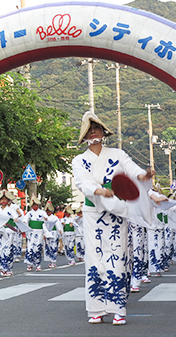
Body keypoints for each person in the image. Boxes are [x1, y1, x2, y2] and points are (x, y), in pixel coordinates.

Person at [71, 111, 154, 326]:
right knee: (94, 259)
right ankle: (96, 308)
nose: (93, 133)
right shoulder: (79, 160)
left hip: (117, 211)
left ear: (103, 132)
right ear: (84, 136)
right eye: (89, 131)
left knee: (117, 257)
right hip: (93, 212)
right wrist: (99, 191)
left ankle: (117, 308)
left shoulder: (117, 154)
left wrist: (142, 176)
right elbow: (83, 182)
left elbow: (131, 169)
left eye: (96, 129)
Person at [22, 196, 46, 272]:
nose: (35, 206)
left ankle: (38, 264)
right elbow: (25, 220)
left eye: (36, 205)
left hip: (39, 232)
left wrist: (46, 219)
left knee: (38, 248)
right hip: (31, 232)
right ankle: (29, 264)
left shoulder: (42, 212)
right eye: (33, 205)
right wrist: (25, 223)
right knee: (30, 248)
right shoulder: (29, 213)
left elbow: (46, 221)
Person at [43, 200, 62, 269]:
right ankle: (50, 260)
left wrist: (60, 230)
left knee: (53, 247)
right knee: (48, 247)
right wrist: (44, 233)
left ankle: (53, 261)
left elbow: (58, 225)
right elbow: (43, 225)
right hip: (46, 233)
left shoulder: (55, 218)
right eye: (47, 211)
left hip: (53, 233)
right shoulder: (43, 217)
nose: (48, 213)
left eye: (49, 211)